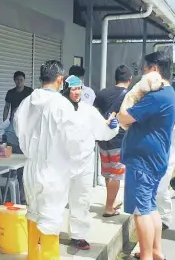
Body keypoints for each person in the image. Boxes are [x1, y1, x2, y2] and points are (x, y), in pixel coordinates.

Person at [14, 60, 88, 259]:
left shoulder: (27, 101)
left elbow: (17, 128)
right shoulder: (62, 105)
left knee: (33, 216)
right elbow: (75, 141)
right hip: (53, 171)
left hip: (30, 169)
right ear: (60, 79)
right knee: (50, 222)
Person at [117, 51, 175, 260]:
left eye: (144, 70)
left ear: (154, 70)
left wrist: (133, 95)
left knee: (141, 210)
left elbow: (125, 115)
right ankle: (155, 251)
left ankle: (145, 256)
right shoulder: (169, 94)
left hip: (143, 160)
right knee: (151, 207)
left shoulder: (156, 96)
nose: (142, 74)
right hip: (155, 158)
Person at [61, 75, 119, 250]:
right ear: (65, 90)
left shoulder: (89, 111)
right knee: (54, 199)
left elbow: (102, 131)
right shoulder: (57, 109)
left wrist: (112, 126)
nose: (77, 92)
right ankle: (48, 232)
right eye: (73, 89)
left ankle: (78, 236)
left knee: (82, 200)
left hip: (84, 163)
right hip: (60, 162)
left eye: (79, 88)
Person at [94, 65, 133, 217]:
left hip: (103, 138)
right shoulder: (130, 96)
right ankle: (109, 207)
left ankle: (111, 201)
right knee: (116, 174)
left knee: (107, 172)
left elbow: (95, 113)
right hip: (120, 140)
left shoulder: (102, 93)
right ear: (129, 80)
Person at [156, 91, 175, 230]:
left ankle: (165, 218)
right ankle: (159, 216)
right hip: (159, 150)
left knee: (161, 186)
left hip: (170, 150)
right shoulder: (164, 103)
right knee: (158, 186)